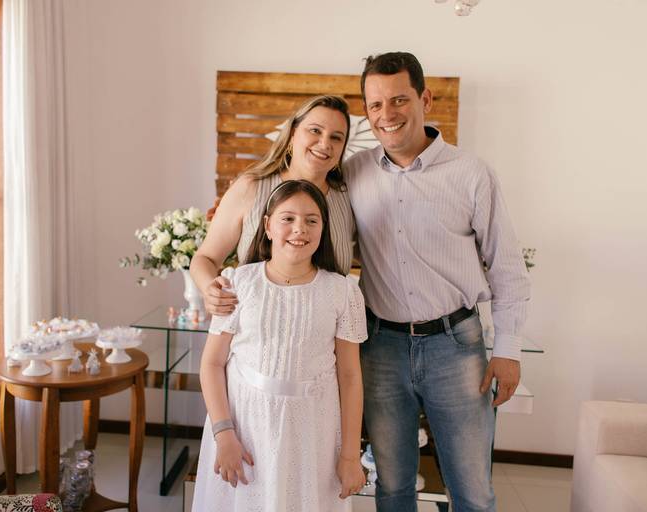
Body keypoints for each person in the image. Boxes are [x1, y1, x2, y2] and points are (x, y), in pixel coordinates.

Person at [344, 52, 531, 512]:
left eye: (399, 100)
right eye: (375, 104)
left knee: (472, 492)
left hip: (456, 347)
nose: (387, 114)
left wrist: (508, 350)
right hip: (380, 348)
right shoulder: (353, 173)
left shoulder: (471, 173)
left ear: (425, 99)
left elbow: (507, 267)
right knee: (392, 487)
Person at [191, 180, 367, 511]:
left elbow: (350, 377)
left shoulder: (342, 292)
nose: (300, 229)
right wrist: (224, 434)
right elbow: (212, 364)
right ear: (268, 226)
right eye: (288, 218)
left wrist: (349, 455)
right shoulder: (238, 282)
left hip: (313, 431)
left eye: (312, 220)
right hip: (244, 427)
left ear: (323, 229)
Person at [191, 95, 356, 314]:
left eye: (336, 137)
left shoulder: (349, 196)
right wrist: (209, 289)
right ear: (293, 133)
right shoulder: (250, 187)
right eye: (315, 130)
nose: (325, 143)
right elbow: (205, 258)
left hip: (327, 331)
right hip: (255, 328)